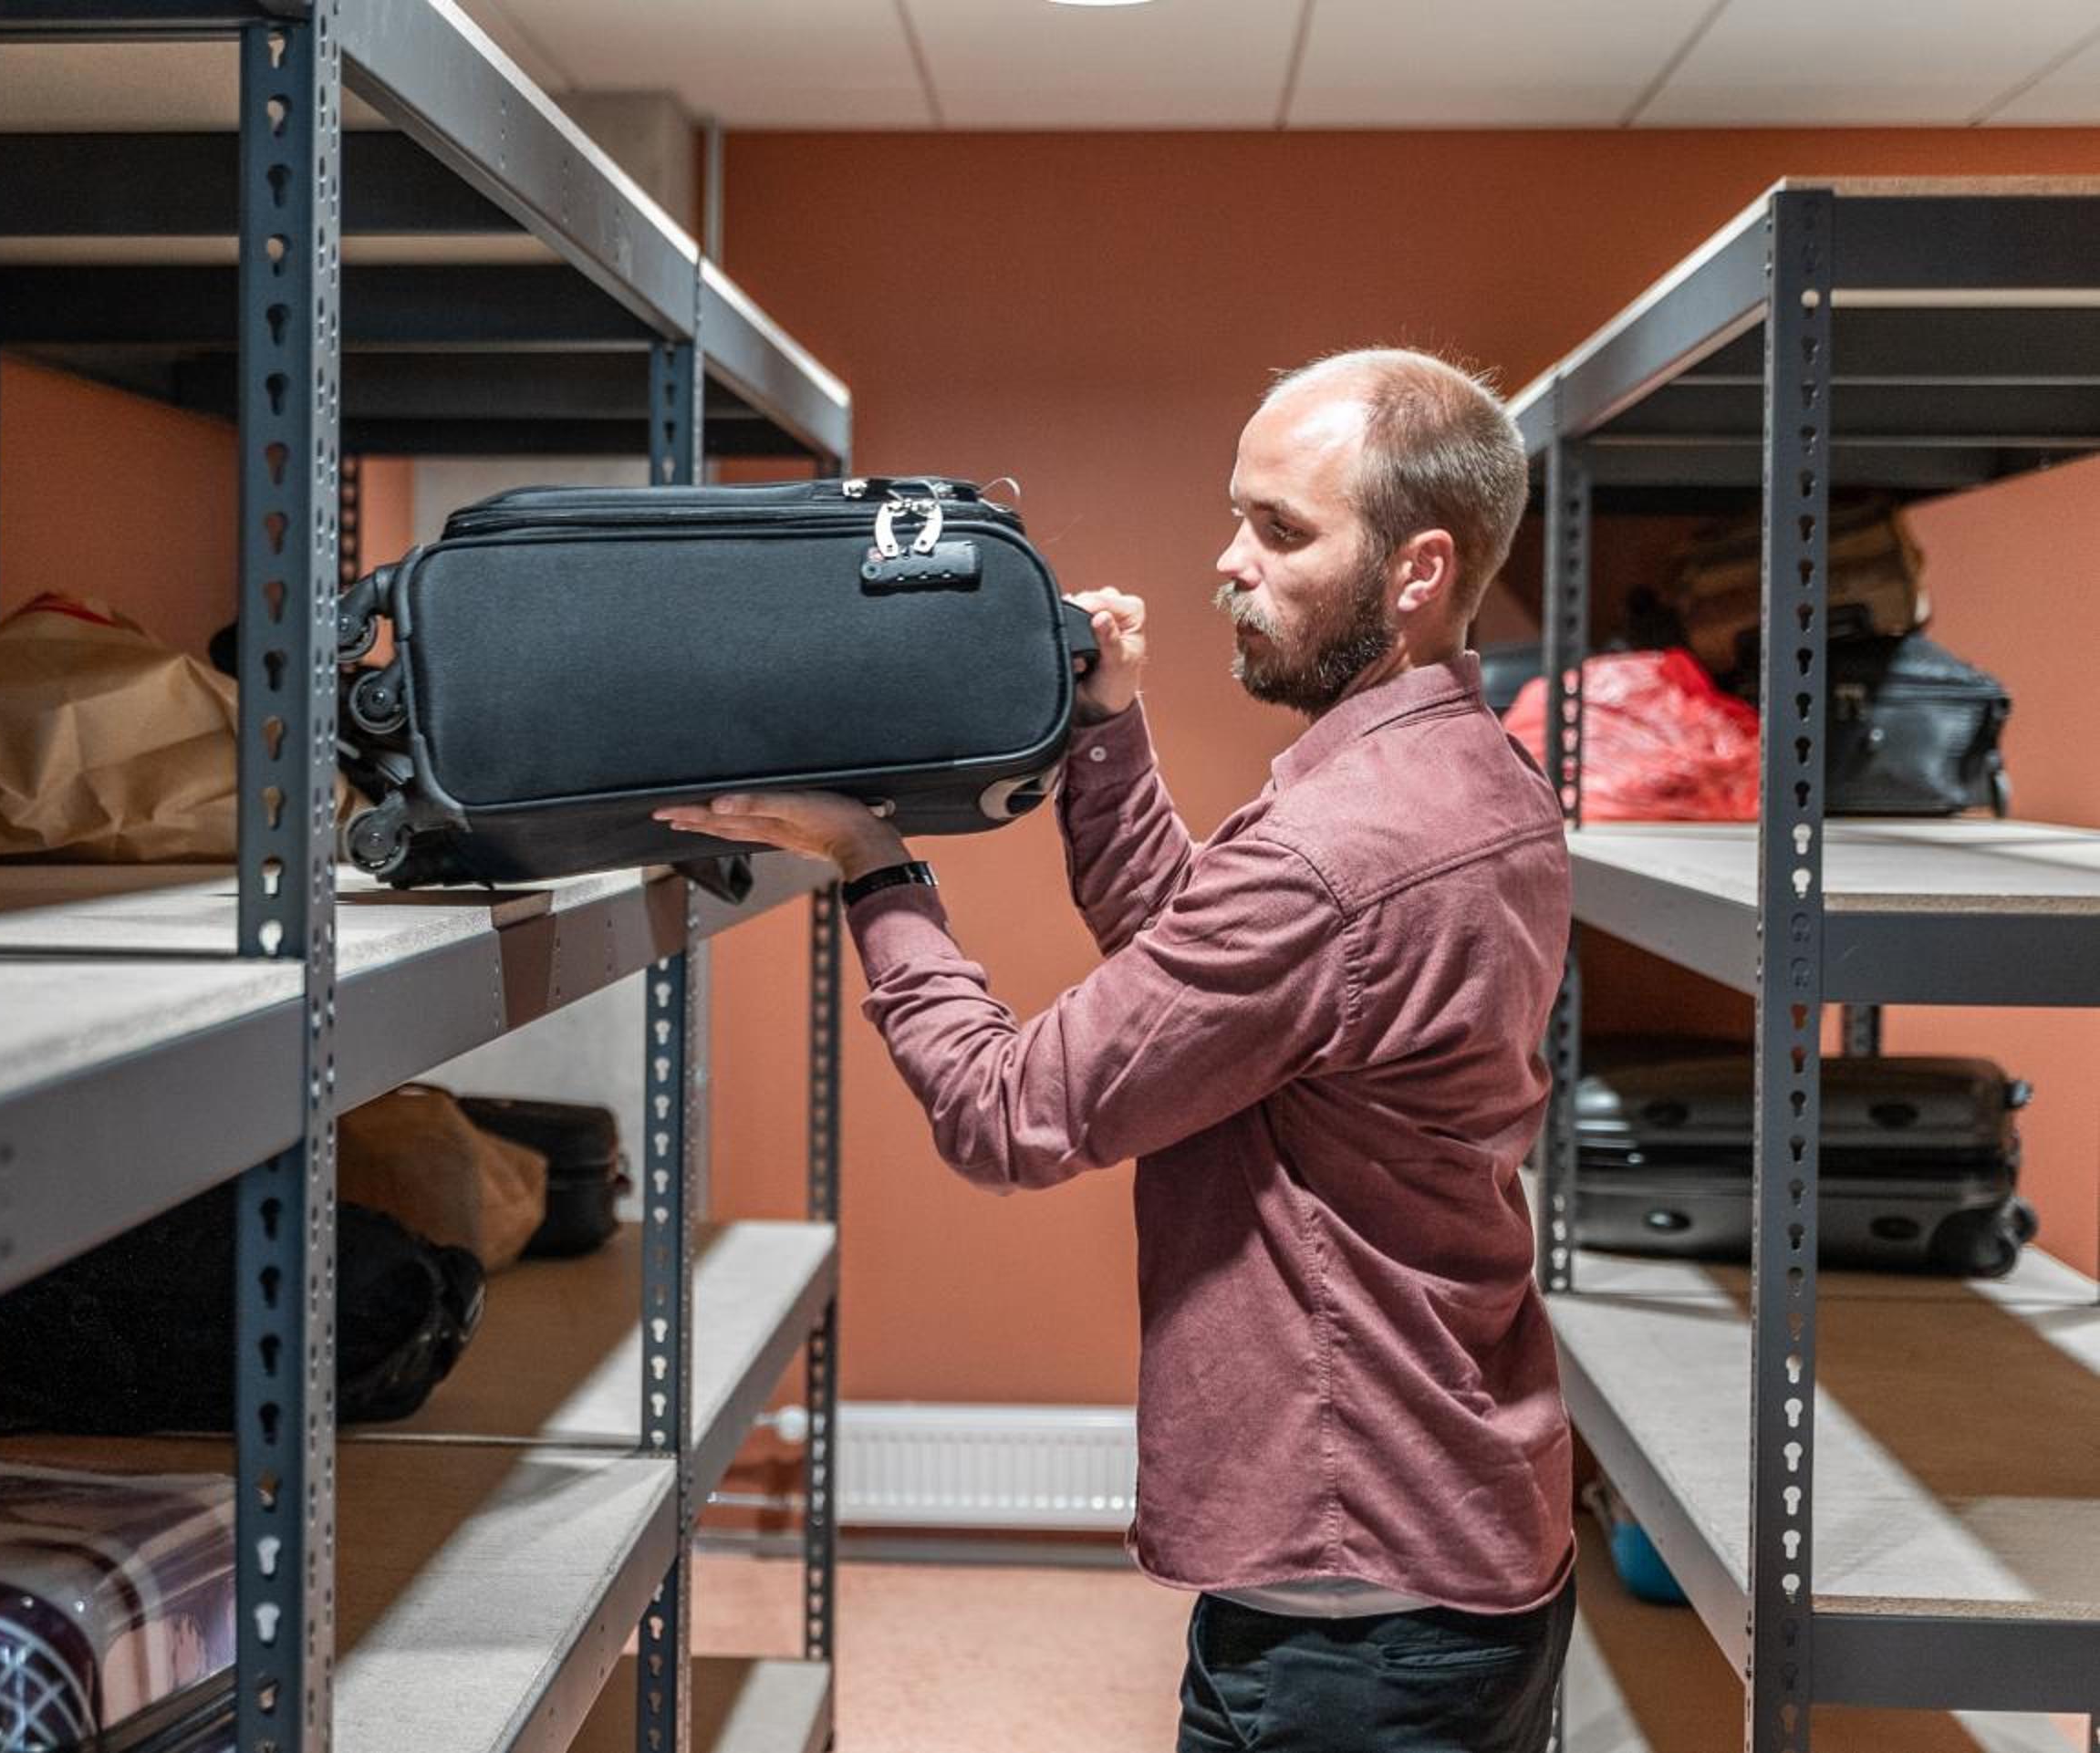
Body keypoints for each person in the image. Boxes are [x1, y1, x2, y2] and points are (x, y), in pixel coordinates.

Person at [658, 347, 1575, 1752]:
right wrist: (1103, 727)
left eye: (1281, 530)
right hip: (1464, 1544)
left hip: (1354, 1616)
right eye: (1237, 515)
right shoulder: (1480, 782)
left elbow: (1006, 1112)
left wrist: (871, 864)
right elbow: (1218, 989)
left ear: (1418, 571)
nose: (1229, 561)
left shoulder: (1335, 853)